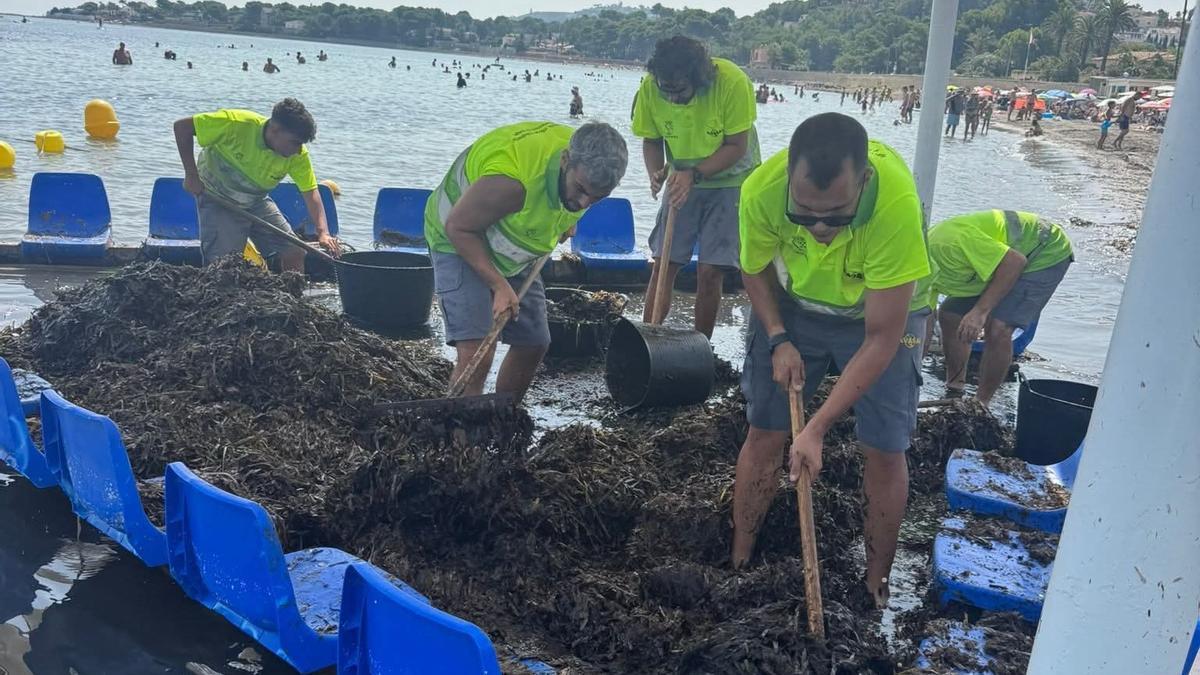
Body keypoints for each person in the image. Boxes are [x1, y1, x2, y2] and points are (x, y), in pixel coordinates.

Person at [732, 113, 931, 611]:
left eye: (837, 215)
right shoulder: (760, 190)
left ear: (863, 182)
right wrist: (778, 338)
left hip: (883, 313)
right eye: (804, 214)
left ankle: (876, 585)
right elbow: (754, 270)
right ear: (788, 183)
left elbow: (882, 339)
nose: (820, 228)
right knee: (764, 431)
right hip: (796, 308)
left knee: (884, 448)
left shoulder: (895, 206)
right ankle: (738, 562)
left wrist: (816, 428)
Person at [423, 121, 628, 403]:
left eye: (596, 198)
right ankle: (462, 436)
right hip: (458, 237)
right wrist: (498, 285)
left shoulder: (587, 174)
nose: (583, 203)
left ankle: (503, 417)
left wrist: (566, 221)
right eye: (580, 190)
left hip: (514, 246)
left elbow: (575, 200)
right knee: (479, 351)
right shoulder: (513, 183)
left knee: (534, 342)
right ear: (566, 160)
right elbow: (459, 227)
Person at [631, 35, 760, 338]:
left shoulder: (731, 82)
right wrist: (655, 173)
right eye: (667, 91)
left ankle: (701, 345)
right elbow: (651, 140)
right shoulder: (652, 87)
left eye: (680, 91)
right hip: (681, 177)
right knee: (664, 262)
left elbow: (737, 146)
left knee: (711, 270)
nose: (673, 99)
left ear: (698, 78)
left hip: (732, 179)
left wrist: (695, 174)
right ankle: (647, 338)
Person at [173, 98, 338, 272]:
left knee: (294, 251)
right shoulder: (236, 124)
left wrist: (323, 232)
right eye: (295, 142)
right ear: (275, 130)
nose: (298, 150)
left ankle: (293, 296)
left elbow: (311, 193)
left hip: (255, 201)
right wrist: (191, 175)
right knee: (223, 265)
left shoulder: (297, 155)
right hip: (218, 198)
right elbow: (182, 127)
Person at [930, 210, 1072, 405]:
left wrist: (979, 312)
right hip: (998, 262)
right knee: (949, 315)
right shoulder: (916, 274)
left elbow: (1014, 262)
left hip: (1044, 250)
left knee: (998, 327)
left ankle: (981, 403)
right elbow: (924, 321)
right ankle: (955, 389)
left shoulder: (948, 244)